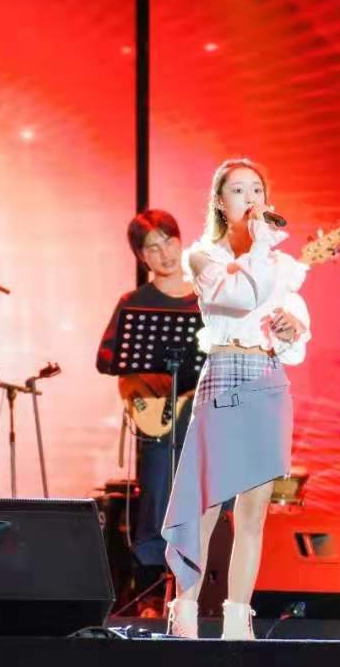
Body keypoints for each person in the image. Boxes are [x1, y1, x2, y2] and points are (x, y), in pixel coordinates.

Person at [161, 157, 311, 640]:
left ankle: (237, 618)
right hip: (224, 375)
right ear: (221, 204)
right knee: (206, 502)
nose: (250, 198)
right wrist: (262, 244)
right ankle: (185, 611)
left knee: (254, 511)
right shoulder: (203, 257)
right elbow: (241, 297)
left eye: (257, 190)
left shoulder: (283, 267)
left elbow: (296, 339)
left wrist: (291, 328)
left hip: (267, 377)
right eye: (239, 190)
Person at [96, 209, 199, 607]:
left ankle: (204, 584)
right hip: (158, 416)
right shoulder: (134, 302)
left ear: (181, 241)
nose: (164, 253)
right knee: (156, 493)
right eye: (152, 248)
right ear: (141, 257)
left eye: (169, 242)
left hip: (201, 415)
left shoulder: (206, 300)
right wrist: (146, 376)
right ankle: (150, 591)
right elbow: (106, 359)